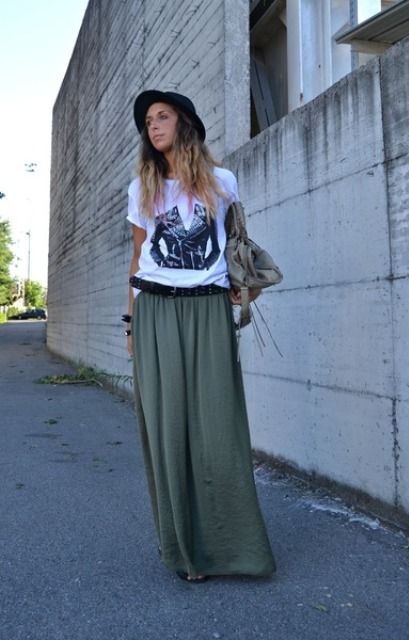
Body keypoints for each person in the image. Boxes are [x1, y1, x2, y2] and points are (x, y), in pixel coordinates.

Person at [125, 90, 276, 582]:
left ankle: (235, 548)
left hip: (208, 310)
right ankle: (187, 554)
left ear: (184, 123)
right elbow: (137, 260)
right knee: (169, 431)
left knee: (218, 429)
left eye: (162, 116)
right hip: (155, 311)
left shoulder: (222, 182)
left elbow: (234, 243)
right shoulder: (142, 187)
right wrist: (130, 323)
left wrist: (241, 289)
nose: (153, 126)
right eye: (148, 120)